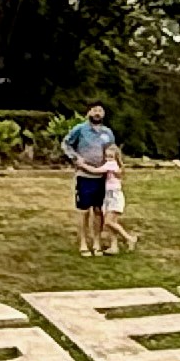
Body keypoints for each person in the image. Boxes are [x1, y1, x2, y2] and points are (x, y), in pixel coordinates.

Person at [61, 100, 116, 254]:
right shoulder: (80, 129)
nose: (97, 113)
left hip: (102, 177)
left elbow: (113, 151)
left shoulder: (107, 133)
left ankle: (97, 242)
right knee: (84, 211)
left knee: (99, 210)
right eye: (94, 110)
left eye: (100, 110)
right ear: (89, 112)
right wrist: (75, 158)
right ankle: (84, 243)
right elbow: (66, 144)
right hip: (84, 176)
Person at [99, 143, 139, 253]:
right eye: (106, 156)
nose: (108, 159)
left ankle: (129, 238)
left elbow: (96, 171)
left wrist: (83, 165)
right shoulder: (111, 166)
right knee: (112, 222)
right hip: (108, 195)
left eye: (111, 156)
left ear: (116, 157)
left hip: (114, 196)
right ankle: (114, 246)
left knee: (108, 222)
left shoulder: (112, 165)